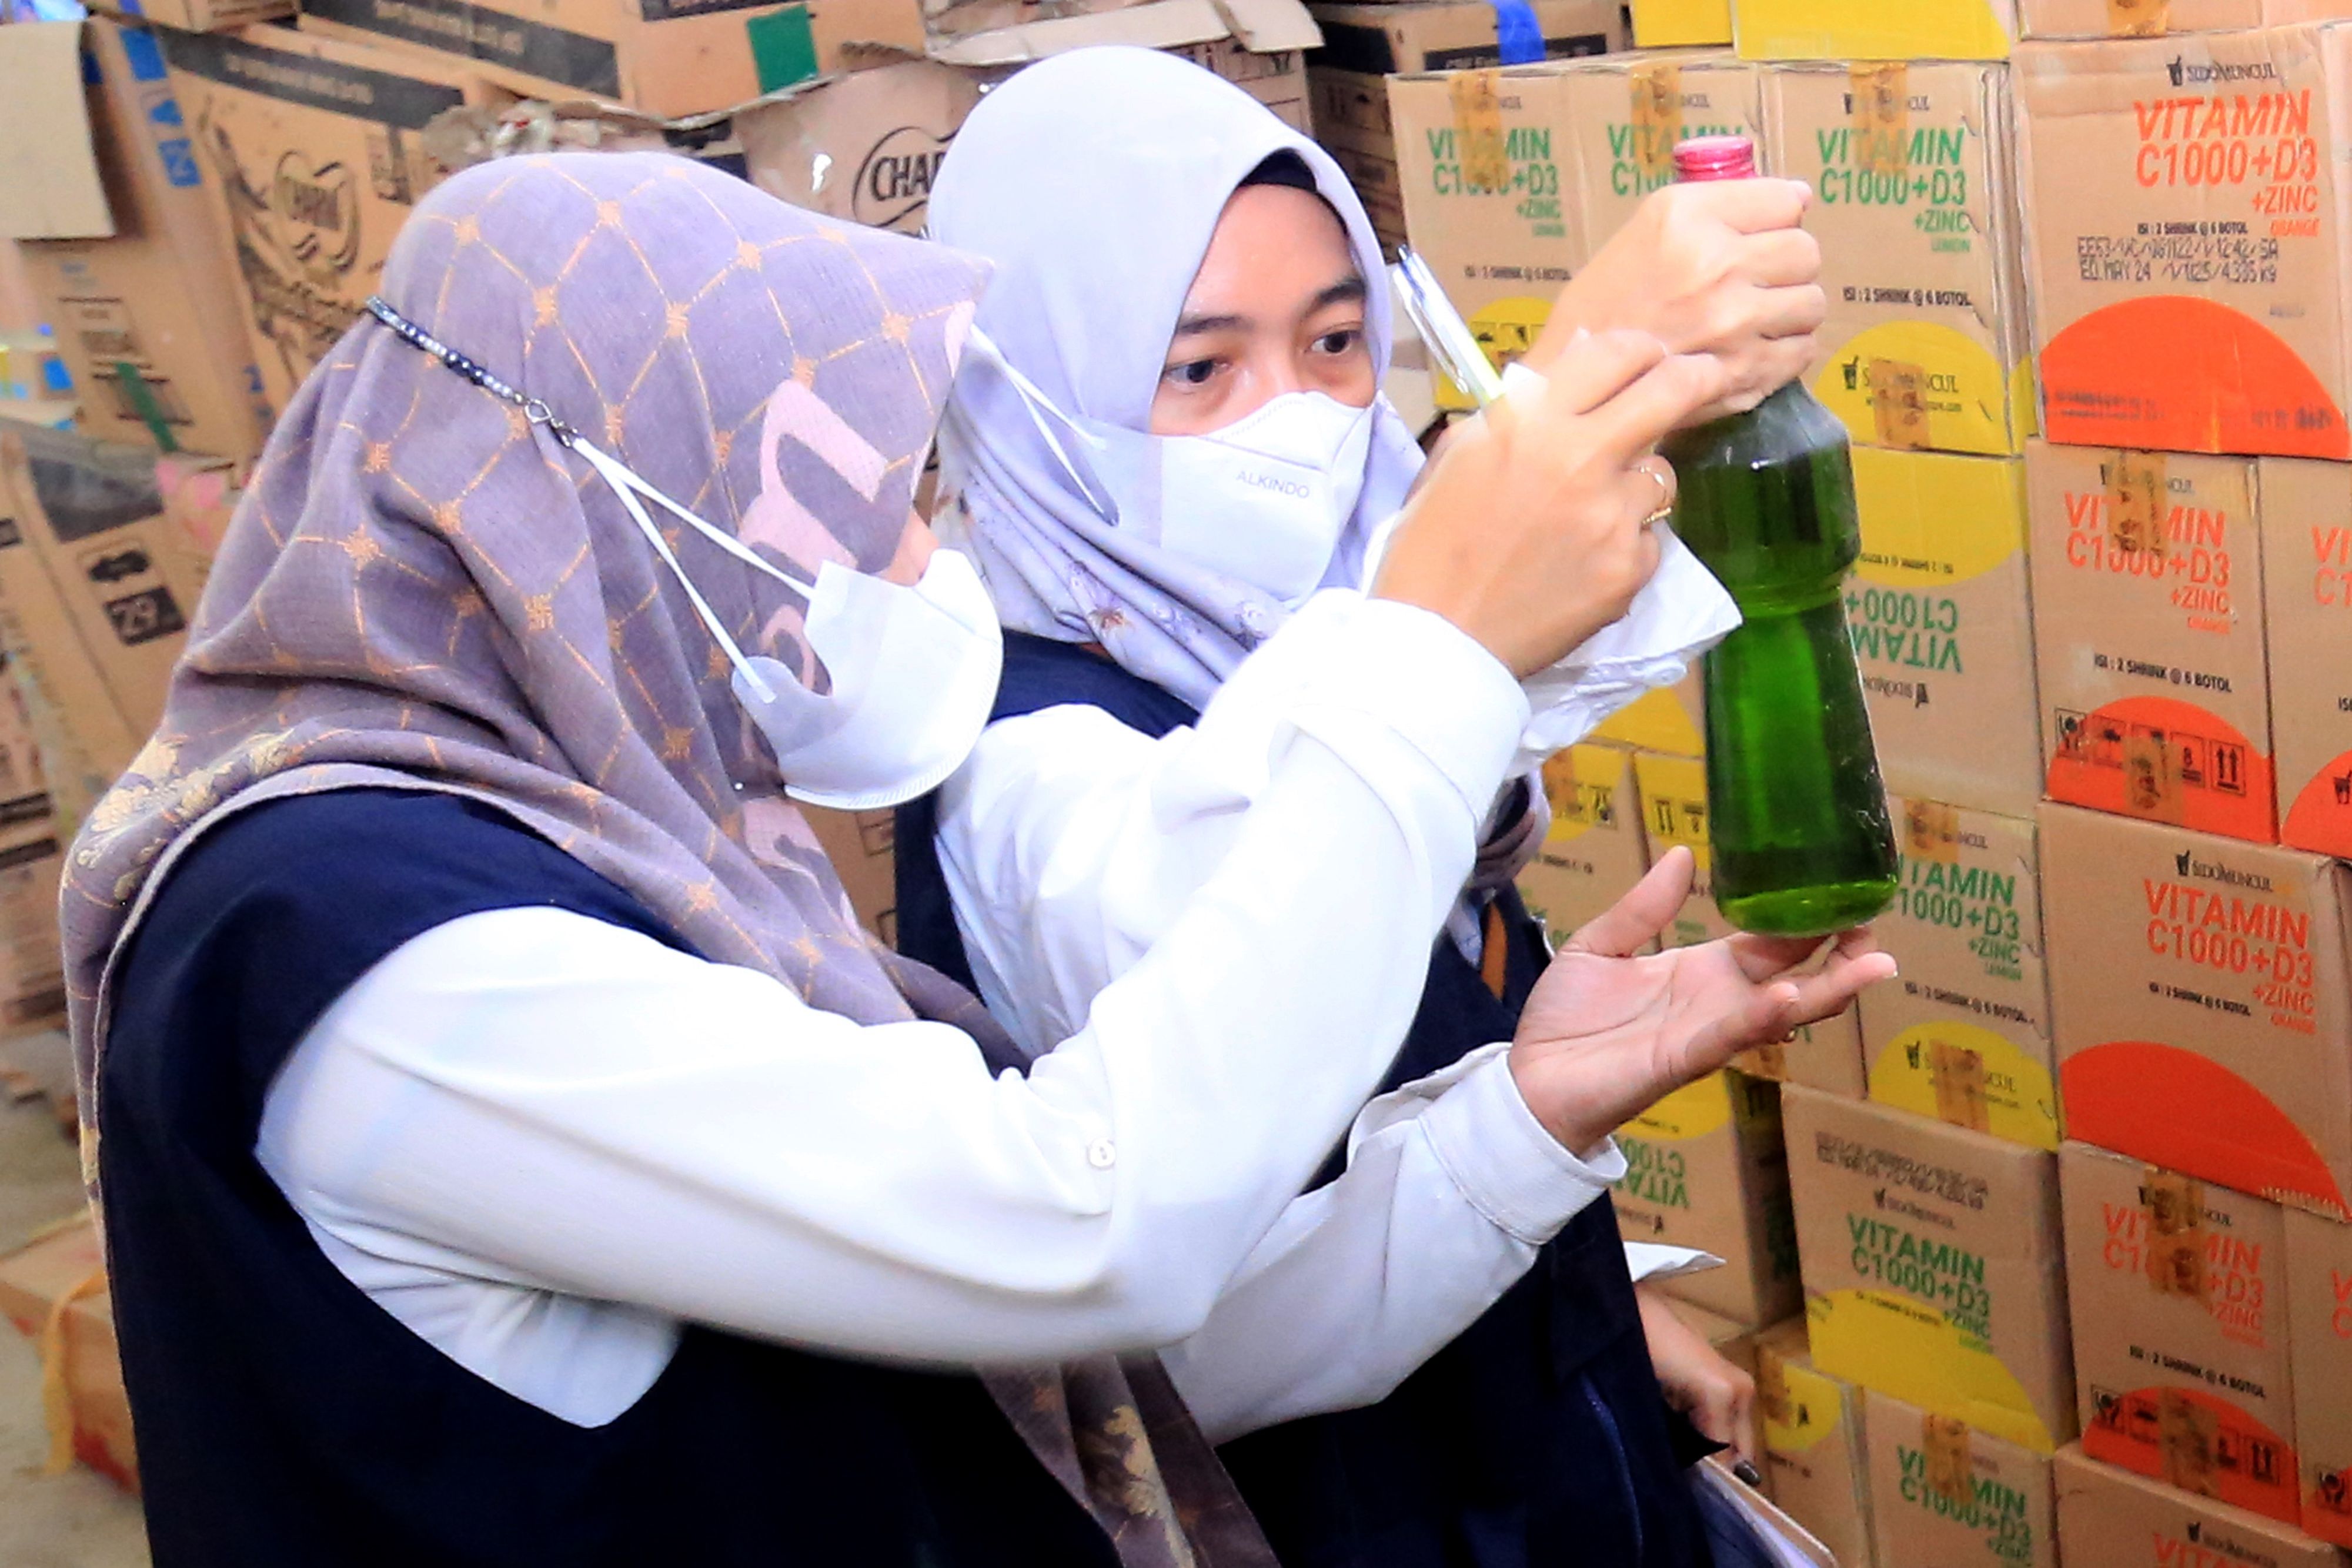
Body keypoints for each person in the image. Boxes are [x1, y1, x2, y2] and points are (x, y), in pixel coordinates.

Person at [61, 152, 1884, 1568]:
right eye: (844, 497)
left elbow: (1066, 1386)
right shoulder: (360, 949)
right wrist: (1435, 650)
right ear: (580, 513)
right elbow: (1086, 1230)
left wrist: (1519, 1122)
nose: (912, 561)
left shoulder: (651, 865)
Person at [898, 46, 1855, 1568]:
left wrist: (1586, 1281)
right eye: (1200, 368)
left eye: (1339, 340)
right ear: (1029, 392)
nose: (1298, 416)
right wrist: (1574, 393)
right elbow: (1235, 895)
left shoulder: (1317, 627)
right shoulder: (1028, 772)